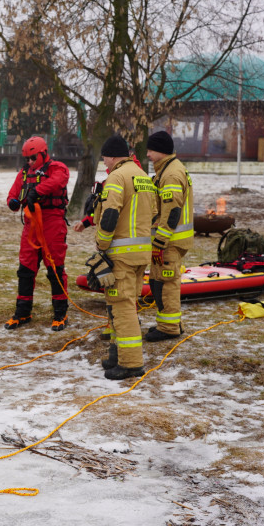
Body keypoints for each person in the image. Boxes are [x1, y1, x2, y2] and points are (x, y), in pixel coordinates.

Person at [91, 135, 157, 380]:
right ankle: (117, 355)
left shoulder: (117, 177)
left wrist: (102, 243)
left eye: (105, 158)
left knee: (122, 308)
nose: (104, 163)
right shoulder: (142, 176)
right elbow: (154, 213)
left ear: (111, 155)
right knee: (124, 306)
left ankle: (130, 364)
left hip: (121, 255)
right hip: (141, 254)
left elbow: (109, 215)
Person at [4, 136, 70, 331]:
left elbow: (57, 181)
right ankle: (22, 312)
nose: (30, 162)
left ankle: (60, 313)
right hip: (31, 225)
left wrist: (36, 192)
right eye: (27, 159)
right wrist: (13, 203)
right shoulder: (24, 173)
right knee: (25, 269)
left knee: (55, 268)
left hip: (52, 223)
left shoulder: (57, 168)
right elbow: (12, 194)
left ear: (43, 153)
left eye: (33, 158)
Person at [145, 130, 193, 341]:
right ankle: (169, 323)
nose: (147, 154)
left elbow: (172, 211)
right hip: (170, 240)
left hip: (170, 241)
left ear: (161, 151)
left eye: (150, 150)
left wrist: (160, 241)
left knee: (166, 283)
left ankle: (169, 327)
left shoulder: (171, 173)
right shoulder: (168, 169)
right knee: (160, 281)